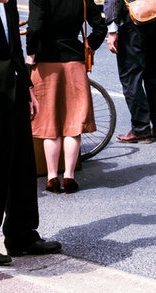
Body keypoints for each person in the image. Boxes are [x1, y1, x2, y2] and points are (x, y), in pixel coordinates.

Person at [0, 0, 63, 274]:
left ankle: (22, 233)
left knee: (22, 165)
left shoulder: (9, 4)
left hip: (14, 91)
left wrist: (27, 88)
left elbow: (14, 48)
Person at [26, 0, 107, 194]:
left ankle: (52, 177)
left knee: (49, 123)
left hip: (46, 62)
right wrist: (91, 43)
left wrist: (31, 52)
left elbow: (34, 28)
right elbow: (100, 26)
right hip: (74, 60)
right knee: (73, 121)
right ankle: (69, 177)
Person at [104, 0, 156, 142]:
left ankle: (141, 128)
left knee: (131, 75)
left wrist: (112, 30)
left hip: (135, 18)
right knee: (152, 69)